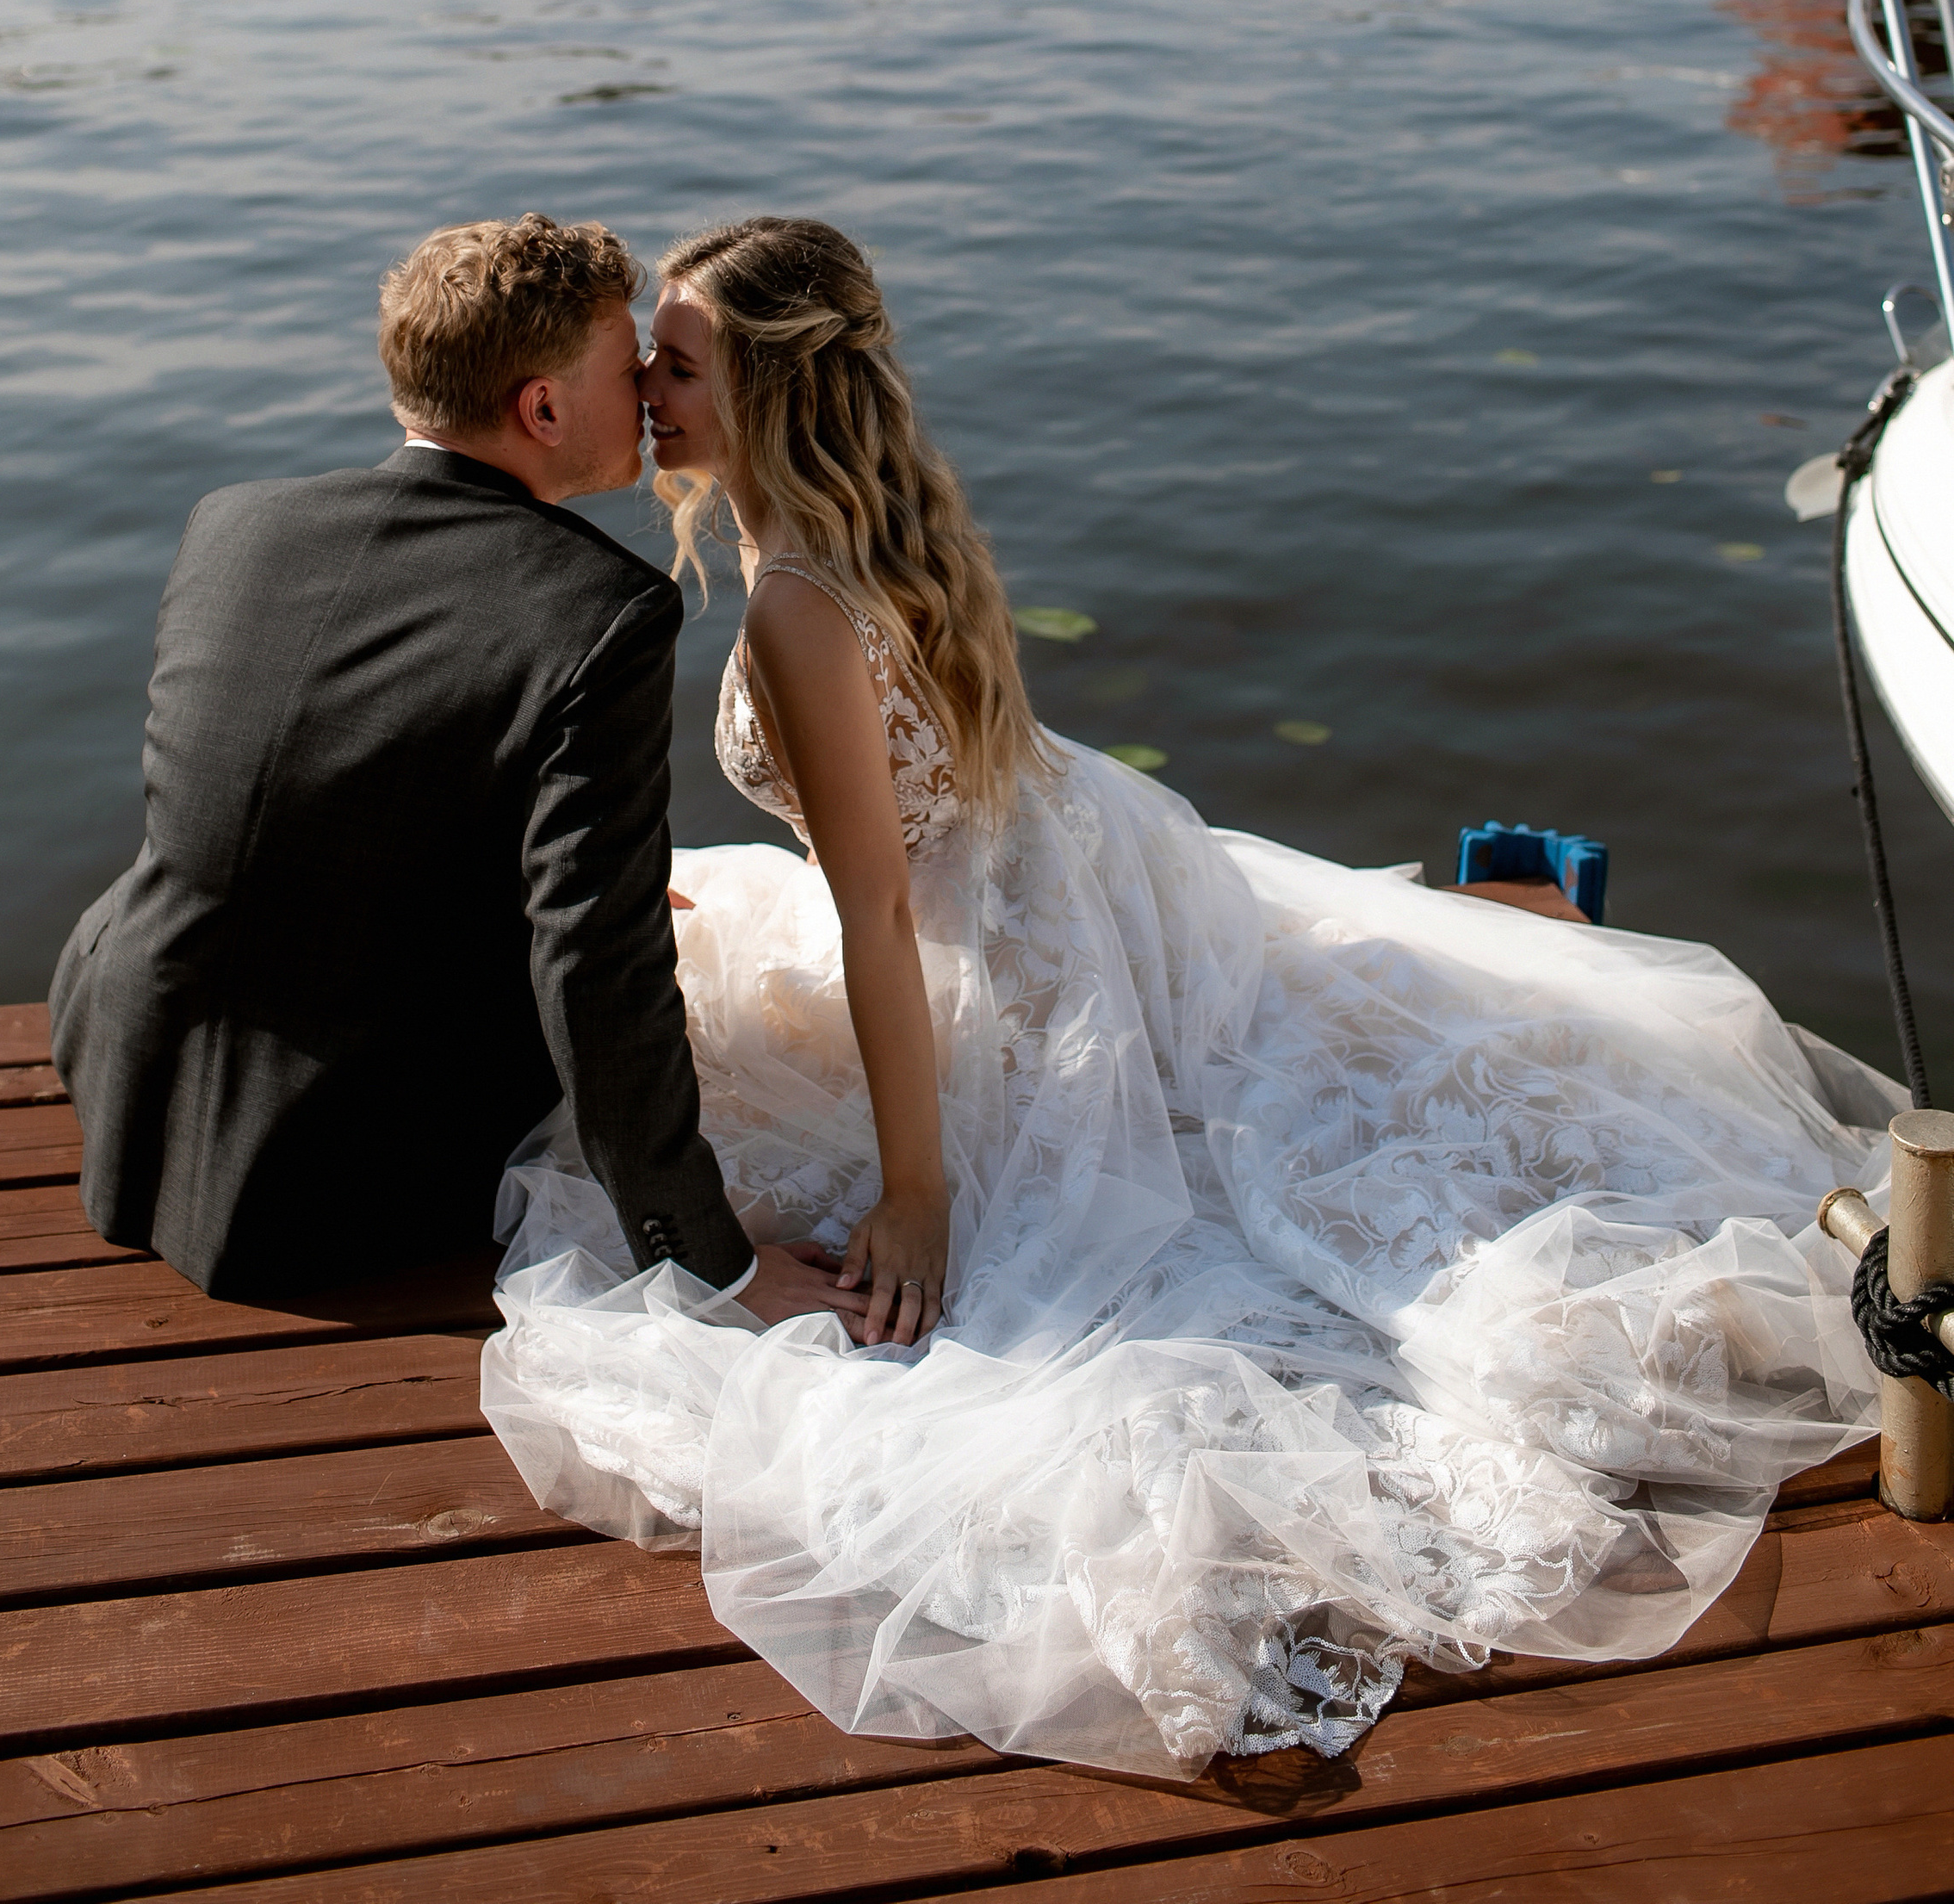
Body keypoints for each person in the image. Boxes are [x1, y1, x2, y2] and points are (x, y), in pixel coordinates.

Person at [482, 214, 1901, 1780]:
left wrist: (918, 1188)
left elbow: (883, 910)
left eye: (677, 366)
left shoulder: (797, 600)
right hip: (1082, 854)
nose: (649, 387)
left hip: (997, 918)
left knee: (1106, 1228)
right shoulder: (871, 522)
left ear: (767, 390)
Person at [51, 210, 849, 1324]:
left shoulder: (237, 524)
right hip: (326, 1176)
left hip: (124, 1065)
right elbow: (596, 976)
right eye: (630, 370)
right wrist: (710, 1260)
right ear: (544, 406)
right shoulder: (603, 610)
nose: (651, 398)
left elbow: (318, 788)